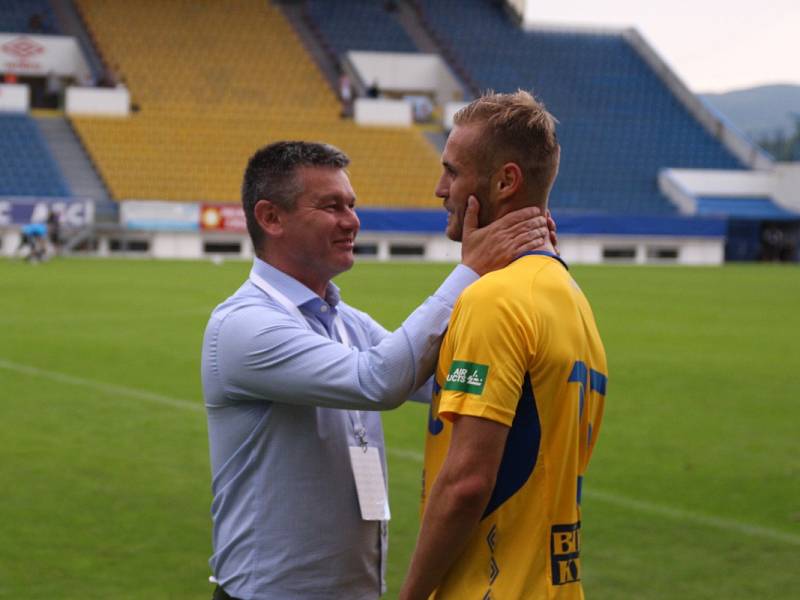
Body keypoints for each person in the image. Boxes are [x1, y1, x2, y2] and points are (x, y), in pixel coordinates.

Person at [201, 141, 555, 600]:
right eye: (331, 206)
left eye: (351, 205)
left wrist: (528, 278)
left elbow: (440, 380)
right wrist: (471, 271)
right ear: (271, 218)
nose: (352, 221)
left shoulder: (344, 321)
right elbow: (380, 380)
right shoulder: (243, 325)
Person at [400, 91, 608, 600]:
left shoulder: (493, 300)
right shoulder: (571, 298)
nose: (438, 188)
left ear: (505, 181)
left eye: (452, 171)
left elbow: (467, 483)